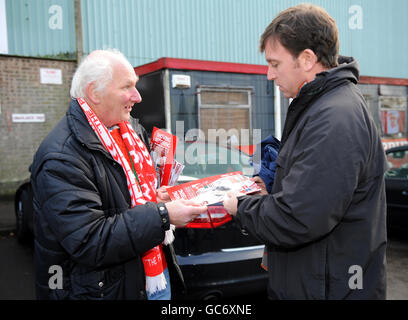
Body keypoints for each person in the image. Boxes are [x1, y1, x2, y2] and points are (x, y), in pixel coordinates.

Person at [223, 4, 387, 299]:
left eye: (275, 64)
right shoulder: (320, 106)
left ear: (308, 59)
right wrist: (268, 191)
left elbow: (297, 219)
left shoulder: (334, 118)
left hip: (329, 287)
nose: (269, 75)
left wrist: (240, 206)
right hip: (317, 281)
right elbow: (312, 193)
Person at [30, 49, 206, 300]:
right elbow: (89, 241)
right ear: (94, 93)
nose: (138, 96)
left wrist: (159, 199)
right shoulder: (62, 156)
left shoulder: (130, 131)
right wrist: (162, 215)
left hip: (150, 277)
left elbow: (128, 198)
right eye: (127, 87)